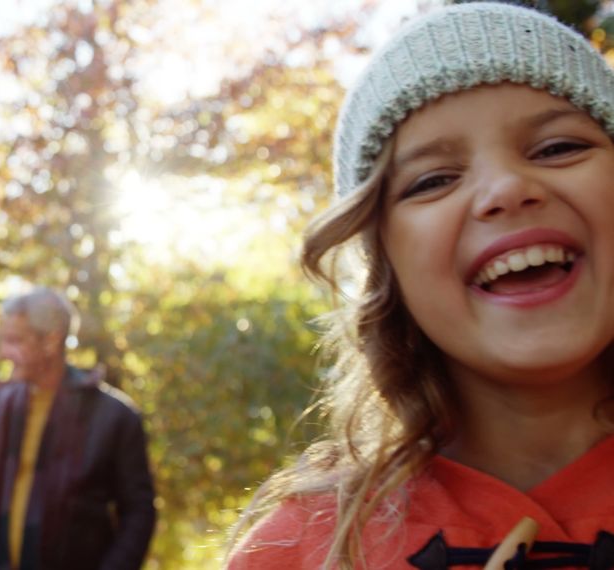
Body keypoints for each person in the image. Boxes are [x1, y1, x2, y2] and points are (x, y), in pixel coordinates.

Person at [227, 3, 614, 569]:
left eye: (558, 148)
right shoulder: (303, 551)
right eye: (432, 180)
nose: (506, 188)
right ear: (387, 269)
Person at [0, 287, 156, 570]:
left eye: (15, 341)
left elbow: (139, 512)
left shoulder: (114, 416)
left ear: (51, 339)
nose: (4, 353)